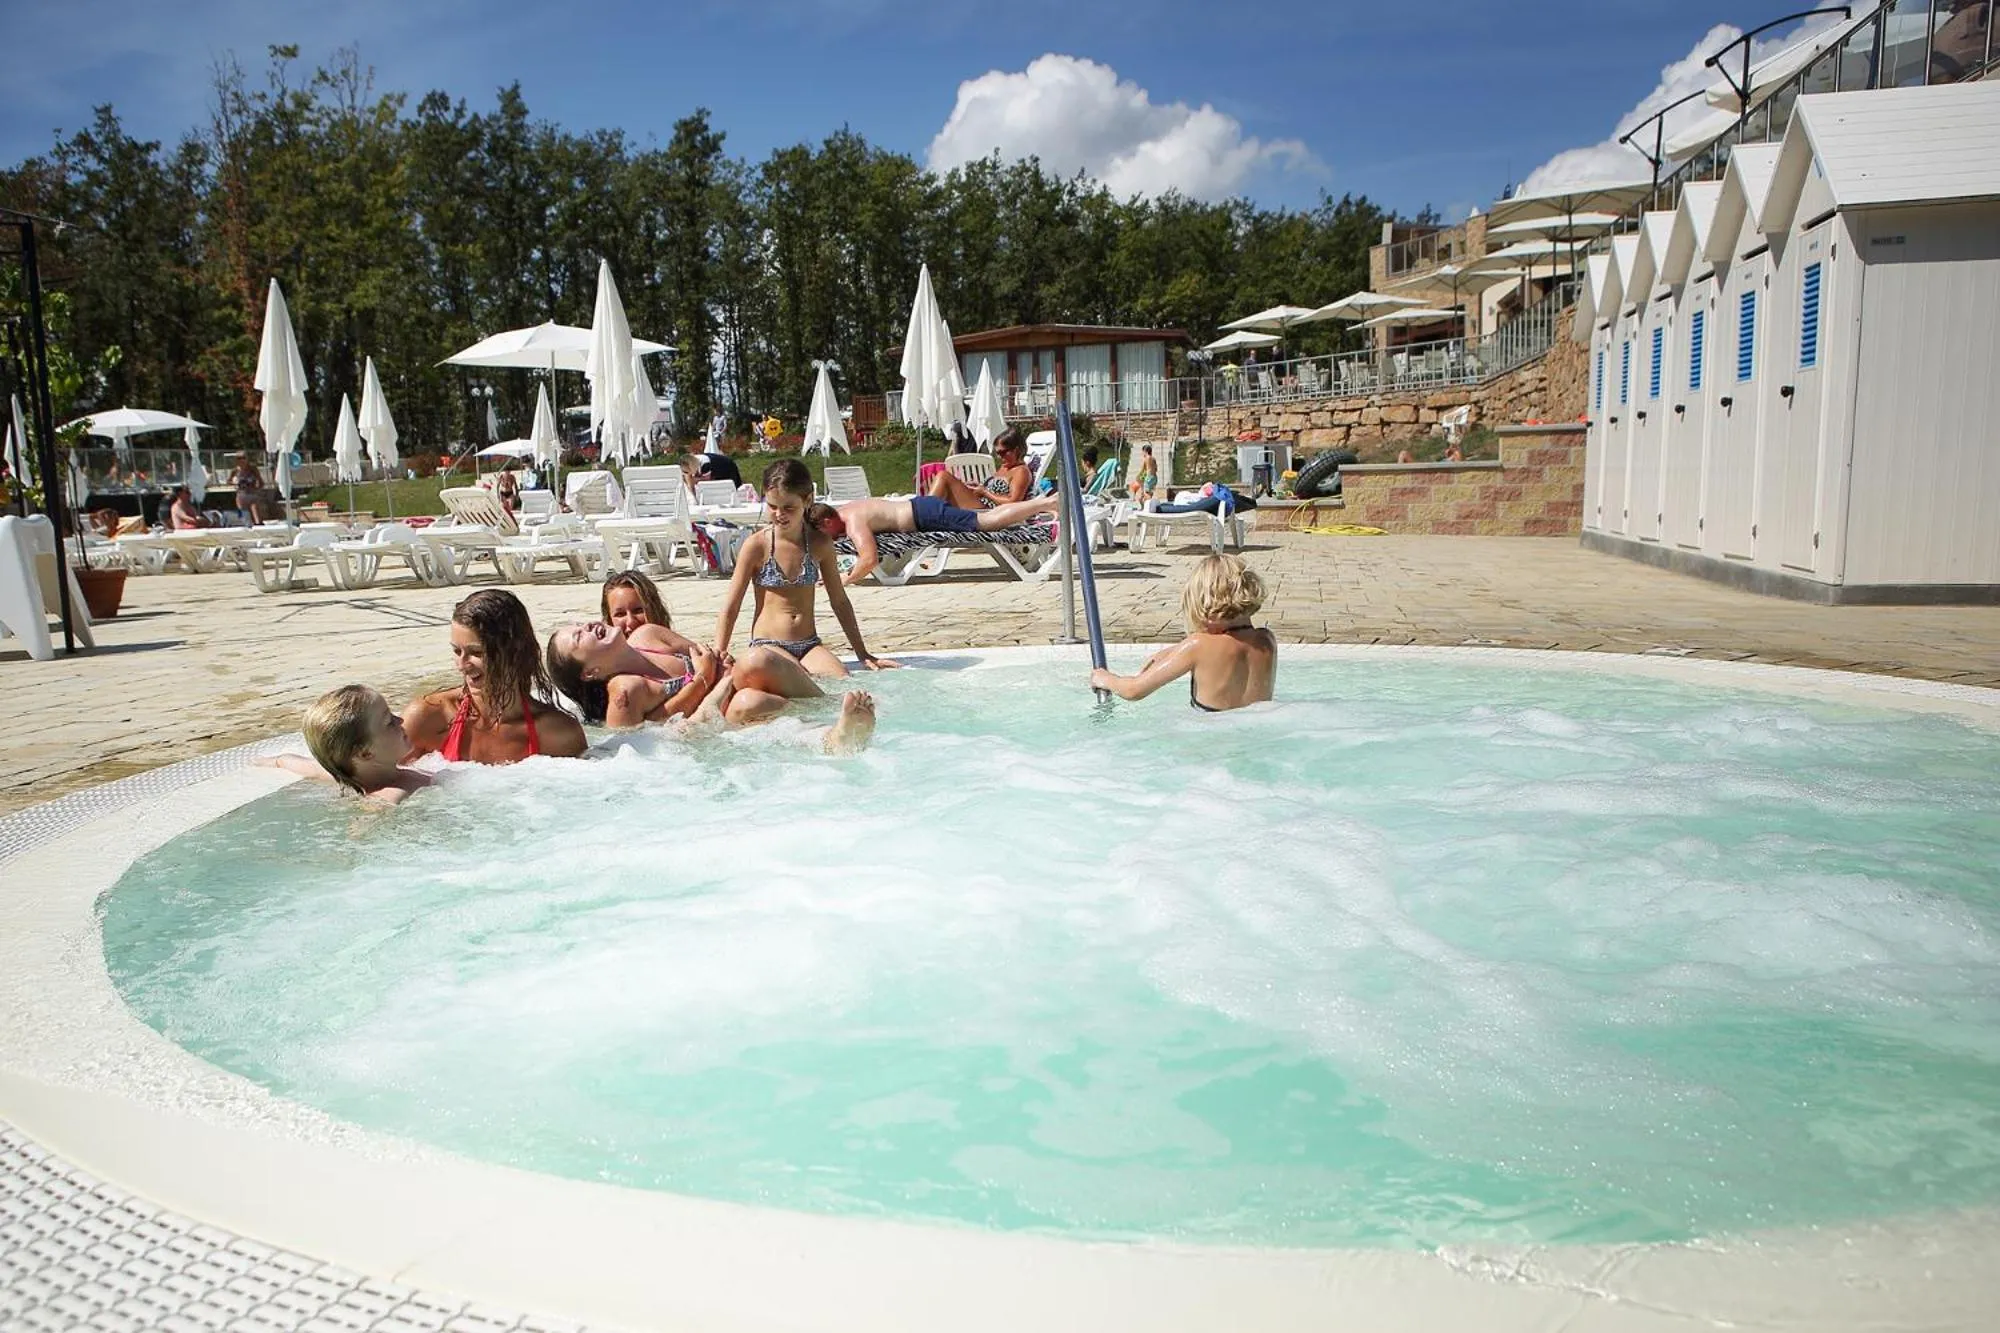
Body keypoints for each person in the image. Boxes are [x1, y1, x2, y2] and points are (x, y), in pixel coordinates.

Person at [715, 459, 897, 677]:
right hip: (769, 645)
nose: (779, 514)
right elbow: (731, 606)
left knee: (843, 681)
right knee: (800, 681)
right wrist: (720, 654)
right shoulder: (757, 546)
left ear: (807, 500)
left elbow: (839, 601)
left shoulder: (819, 543)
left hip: (809, 645)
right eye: (772, 507)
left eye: (788, 508)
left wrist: (863, 653)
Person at [405, 589, 588, 764]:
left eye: (476, 652)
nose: (462, 665)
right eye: (456, 651)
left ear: (515, 652)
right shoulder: (428, 718)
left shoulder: (557, 733)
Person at [1091, 553, 1277, 713]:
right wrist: (1176, 650)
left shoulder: (1197, 646)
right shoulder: (1266, 640)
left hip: (1210, 737)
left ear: (1206, 605)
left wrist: (1106, 679)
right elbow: (1229, 647)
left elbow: (1134, 690)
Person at [808, 491, 1057, 586]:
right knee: (986, 518)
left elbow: (869, 559)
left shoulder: (853, 522)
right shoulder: (847, 510)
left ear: (828, 522)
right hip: (921, 508)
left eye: (823, 531)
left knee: (987, 522)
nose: (827, 537)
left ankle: (1045, 502)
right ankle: (1042, 503)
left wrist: (845, 579)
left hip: (924, 516)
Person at [260, 685, 434, 805]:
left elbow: (297, 764)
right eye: (389, 721)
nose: (401, 720)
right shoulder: (391, 797)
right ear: (365, 753)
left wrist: (273, 761)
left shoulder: (343, 774)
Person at [928, 427, 1032, 511]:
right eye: (997, 453)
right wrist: (978, 486)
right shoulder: (1005, 467)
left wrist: (985, 492)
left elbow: (1013, 502)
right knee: (944, 480)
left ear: (1016, 450)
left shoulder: (1021, 471)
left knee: (944, 476)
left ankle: (923, 512)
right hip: (979, 502)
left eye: (1003, 452)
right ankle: (924, 511)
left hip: (986, 510)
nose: (999, 457)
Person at [601, 568, 676, 635]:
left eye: (638, 611)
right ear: (609, 621)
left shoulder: (679, 648)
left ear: (656, 610)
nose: (631, 622)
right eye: (620, 614)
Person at [231, 454, 263, 525]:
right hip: (241, 495)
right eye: (239, 458)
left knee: (257, 517)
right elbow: (229, 481)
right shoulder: (235, 471)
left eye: (243, 458)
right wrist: (235, 483)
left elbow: (261, 481)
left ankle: (259, 526)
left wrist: (257, 489)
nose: (241, 460)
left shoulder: (253, 469)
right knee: (244, 518)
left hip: (252, 494)